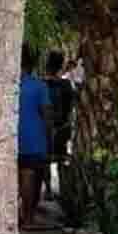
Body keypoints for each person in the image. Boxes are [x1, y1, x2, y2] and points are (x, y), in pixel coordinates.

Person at [18, 45, 51, 229]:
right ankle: (28, 219)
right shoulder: (39, 86)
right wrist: (49, 137)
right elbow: (47, 115)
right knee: (29, 176)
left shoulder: (4, 86)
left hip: (7, 140)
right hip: (33, 141)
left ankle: (13, 217)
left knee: (12, 179)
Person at [43, 51, 75, 200]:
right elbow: (70, 106)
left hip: (44, 129)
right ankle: (64, 191)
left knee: (45, 161)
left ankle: (48, 189)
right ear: (61, 65)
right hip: (62, 128)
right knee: (61, 159)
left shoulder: (41, 84)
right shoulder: (66, 84)